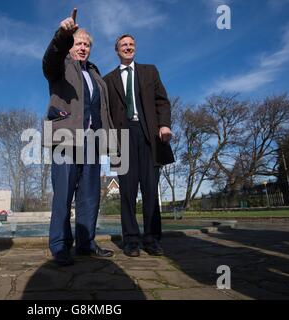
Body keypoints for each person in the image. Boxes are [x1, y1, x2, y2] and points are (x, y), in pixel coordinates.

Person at [42, 9, 115, 266]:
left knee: (90, 196)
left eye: (86, 44)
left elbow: (102, 109)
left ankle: (86, 243)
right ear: (71, 46)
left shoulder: (96, 75)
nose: (82, 47)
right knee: (63, 195)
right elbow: (49, 61)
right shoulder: (61, 65)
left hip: (92, 143)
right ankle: (60, 246)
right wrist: (63, 36)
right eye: (78, 43)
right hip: (66, 139)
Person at [103, 34, 174, 257]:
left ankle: (151, 239)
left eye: (131, 44)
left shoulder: (149, 71)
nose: (128, 47)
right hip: (122, 139)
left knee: (151, 190)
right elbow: (104, 113)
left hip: (149, 136)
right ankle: (131, 240)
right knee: (127, 191)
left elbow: (162, 100)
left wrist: (164, 125)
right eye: (124, 45)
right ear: (117, 50)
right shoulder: (108, 80)